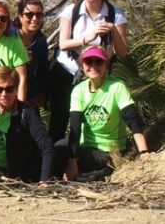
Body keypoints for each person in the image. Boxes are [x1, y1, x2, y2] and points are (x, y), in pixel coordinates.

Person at [51, 0, 130, 141]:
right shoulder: (71, 11)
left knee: (91, 118)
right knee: (59, 117)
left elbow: (122, 51)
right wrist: (90, 37)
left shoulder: (115, 15)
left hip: (96, 75)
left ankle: (86, 152)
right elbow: (63, 44)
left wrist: (113, 30)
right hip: (66, 71)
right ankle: (56, 154)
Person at [60, 46, 149, 181]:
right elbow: (75, 127)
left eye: (99, 62)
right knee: (58, 149)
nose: (93, 66)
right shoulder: (78, 90)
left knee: (99, 162)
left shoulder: (117, 86)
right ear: (82, 66)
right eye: (88, 62)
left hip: (111, 151)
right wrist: (72, 161)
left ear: (106, 65)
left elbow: (132, 120)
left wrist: (144, 152)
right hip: (86, 148)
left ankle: (95, 175)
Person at [0, 67, 54, 183]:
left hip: (12, 177)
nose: (4, 94)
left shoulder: (26, 113)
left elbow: (47, 146)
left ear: (16, 89)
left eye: (9, 89)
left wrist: (44, 181)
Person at [16, 0, 50, 107]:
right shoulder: (9, 36)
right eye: (29, 15)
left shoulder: (40, 41)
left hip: (28, 95)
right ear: (20, 16)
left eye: (39, 15)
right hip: (3, 92)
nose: (35, 19)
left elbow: (43, 70)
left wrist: (40, 93)